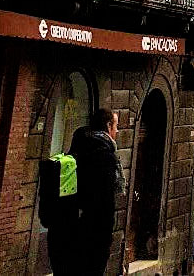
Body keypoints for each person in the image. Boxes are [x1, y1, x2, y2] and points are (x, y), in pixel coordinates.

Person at [70, 108, 124, 276]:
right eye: (116, 126)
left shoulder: (80, 144)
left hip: (72, 222)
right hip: (94, 228)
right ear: (108, 126)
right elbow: (104, 198)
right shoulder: (104, 154)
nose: (117, 131)